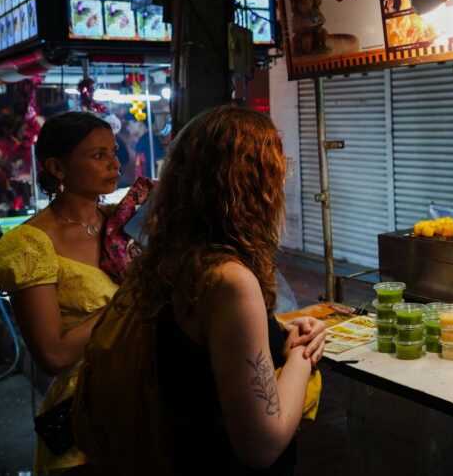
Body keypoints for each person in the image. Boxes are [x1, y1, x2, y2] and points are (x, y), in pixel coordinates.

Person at [129, 105, 325, 473]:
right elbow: (262, 445)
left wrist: (279, 335)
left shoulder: (177, 257)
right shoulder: (230, 281)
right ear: (251, 183)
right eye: (277, 170)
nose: (283, 182)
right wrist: (302, 355)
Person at [0, 111, 121, 473]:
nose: (114, 164)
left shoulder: (122, 223)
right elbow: (52, 354)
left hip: (144, 399)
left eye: (113, 152)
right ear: (57, 167)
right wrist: (127, 303)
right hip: (84, 414)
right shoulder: (30, 244)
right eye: (97, 156)